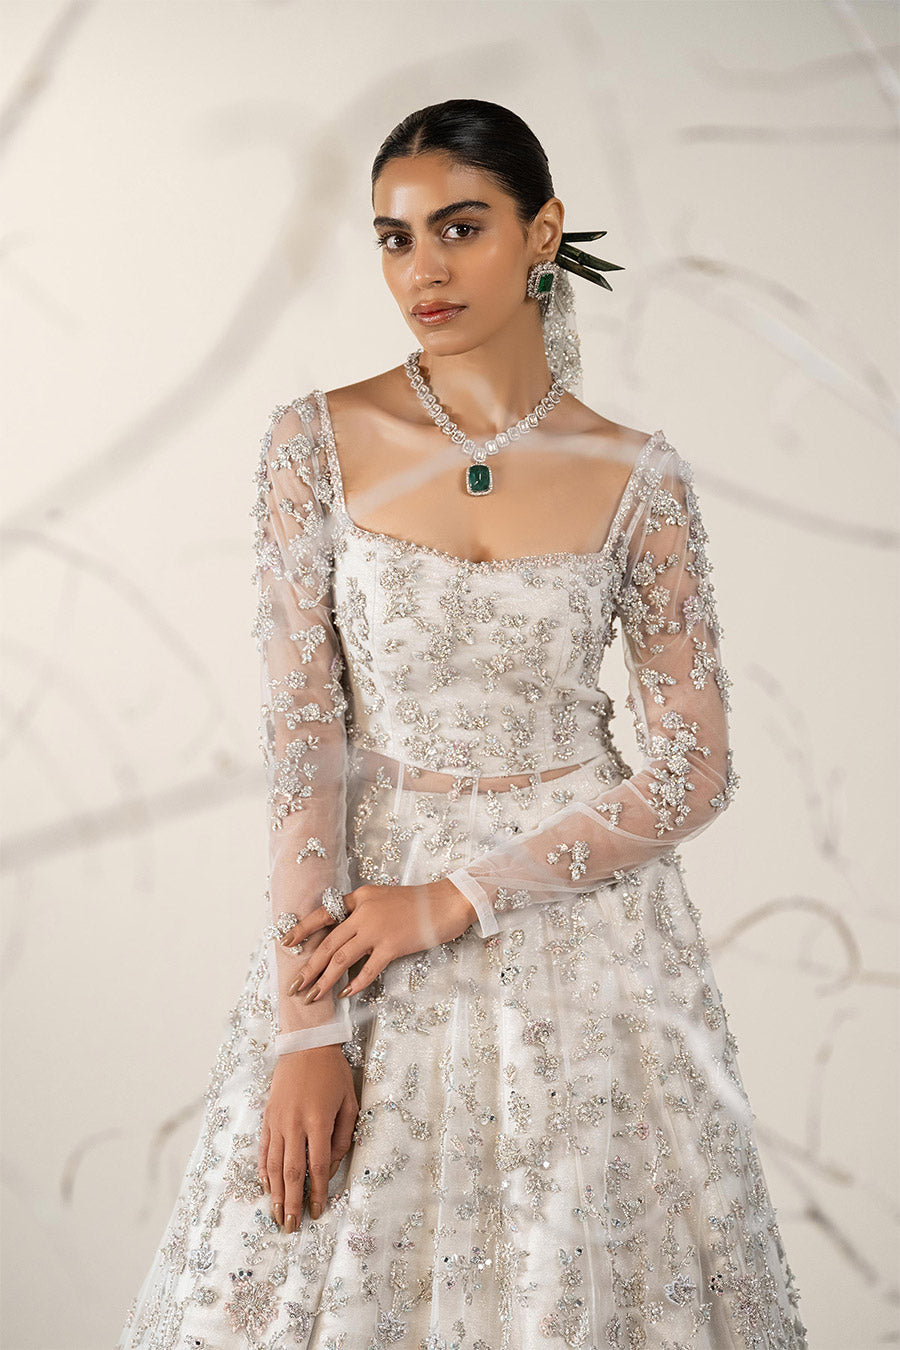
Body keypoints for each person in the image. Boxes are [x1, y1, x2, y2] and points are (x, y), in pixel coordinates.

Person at [118, 98, 808, 1349]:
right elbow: (301, 749)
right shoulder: (313, 446)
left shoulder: (636, 476)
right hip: (356, 937)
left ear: (542, 233)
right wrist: (307, 1025)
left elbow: (694, 771)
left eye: (459, 227)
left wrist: (452, 901)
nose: (421, 269)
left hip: (583, 951)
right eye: (392, 238)